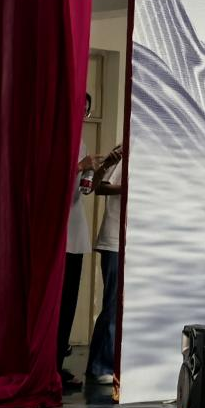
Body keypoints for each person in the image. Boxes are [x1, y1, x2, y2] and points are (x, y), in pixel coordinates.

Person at [58, 93, 100, 391]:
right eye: (78, 109)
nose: (82, 116)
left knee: (69, 304)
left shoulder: (81, 142)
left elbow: (83, 189)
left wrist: (95, 169)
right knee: (56, 304)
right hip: (56, 233)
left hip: (75, 230)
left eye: (86, 111)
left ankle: (58, 363)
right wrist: (81, 164)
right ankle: (47, 365)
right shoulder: (56, 139)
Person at [86, 144, 124, 385]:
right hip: (115, 241)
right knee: (113, 305)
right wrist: (131, 188)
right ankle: (102, 365)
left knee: (117, 305)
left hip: (131, 241)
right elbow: (99, 188)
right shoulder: (125, 154)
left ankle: (98, 364)